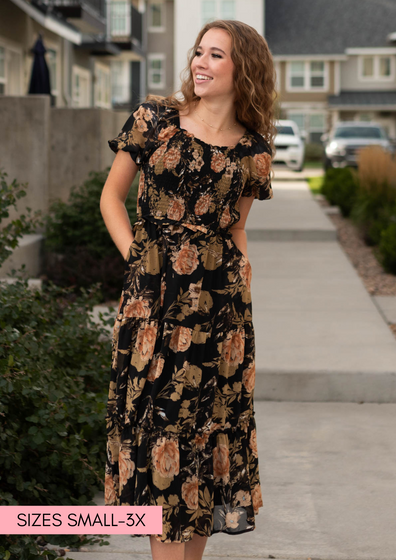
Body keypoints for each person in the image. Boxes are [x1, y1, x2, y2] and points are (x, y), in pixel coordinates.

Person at [100, 19, 276, 560]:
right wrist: (139, 267)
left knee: (204, 442)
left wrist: (244, 278)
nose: (199, 62)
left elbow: (237, 225)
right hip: (152, 305)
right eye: (198, 52)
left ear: (241, 68)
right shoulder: (155, 121)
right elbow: (111, 200)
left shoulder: (252, 150)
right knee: (158, 440)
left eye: (215, 55)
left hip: (221, 313)